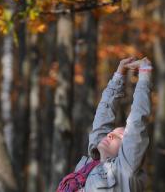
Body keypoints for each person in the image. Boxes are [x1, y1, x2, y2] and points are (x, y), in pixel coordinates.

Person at [57, 57, 153, 192]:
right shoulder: (87, 167)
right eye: (111, 133)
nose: (110, 135)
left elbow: (137, 121)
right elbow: (102, 119)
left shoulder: (124, 170)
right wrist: (119, 75)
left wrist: (144, 74)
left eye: (120, 136)